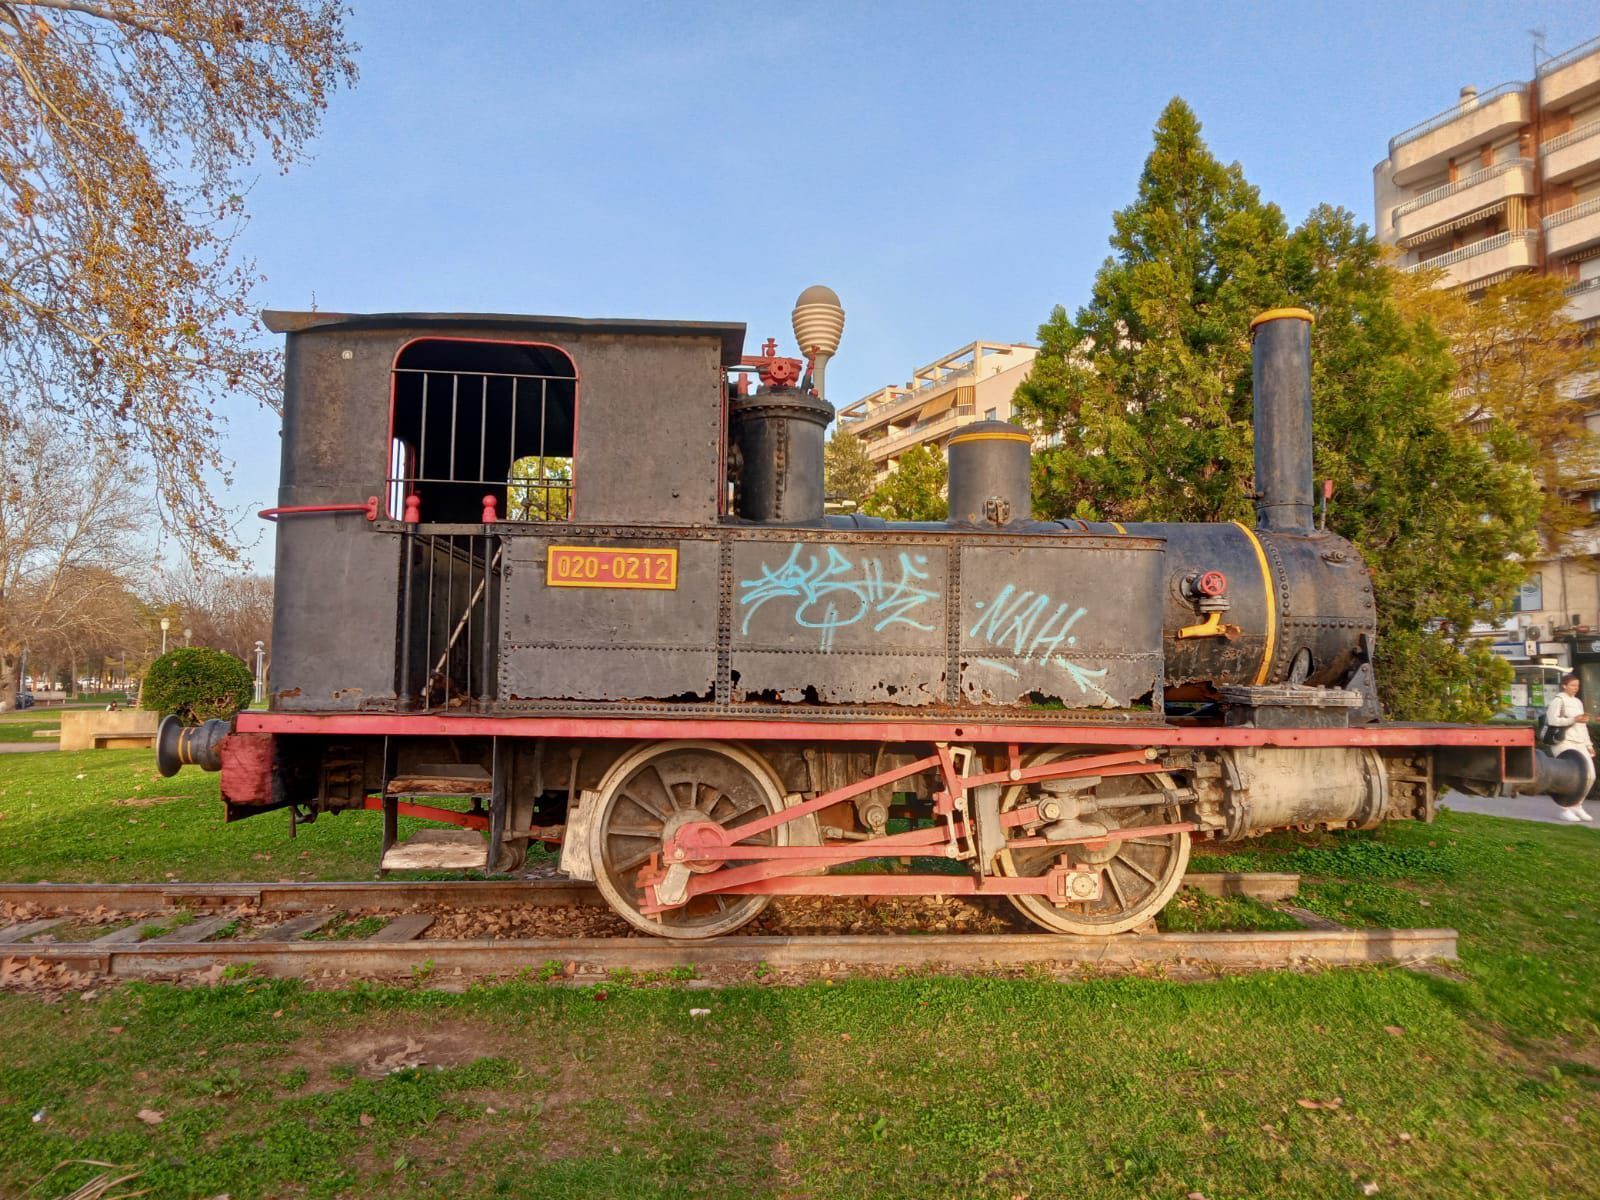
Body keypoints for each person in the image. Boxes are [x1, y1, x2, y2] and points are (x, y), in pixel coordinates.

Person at [1545, 673, 1594, 822]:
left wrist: (1588, 744)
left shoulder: (1578, 702)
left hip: (1579, 741)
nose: (1575, 688)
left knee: (1590, 775)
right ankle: (1564, 809)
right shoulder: (1558, 700)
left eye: (1577, 686)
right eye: (1572, 685)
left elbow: (1582, 726)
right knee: (1568, 777)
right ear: (1564, 686)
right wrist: (1573, 719)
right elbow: (1552, 720)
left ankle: (1577, 805)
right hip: (1564, 741)